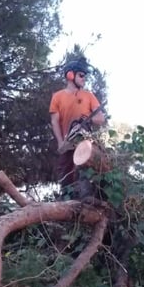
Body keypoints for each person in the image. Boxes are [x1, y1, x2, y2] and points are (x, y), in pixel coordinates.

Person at [49, 58, 106, 195]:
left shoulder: (89, 96)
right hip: (67, 143)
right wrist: (60, 142)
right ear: (70, 75)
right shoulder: (57, 97)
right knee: (65, 177)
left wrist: (87, 120)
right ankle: (65, 203)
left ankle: (85, 200)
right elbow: (54, 121)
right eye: (81, 75)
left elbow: (100, 118)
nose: (83, 79)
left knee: (84, 174)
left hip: (84, 142)